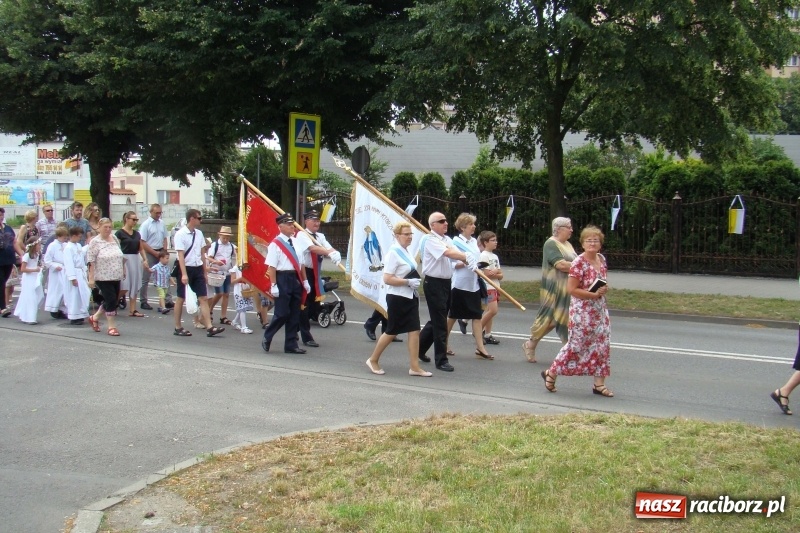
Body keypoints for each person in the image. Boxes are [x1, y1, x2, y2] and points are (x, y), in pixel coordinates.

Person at [541, 225, 612, 397]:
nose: (592, 243)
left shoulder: (601, 259)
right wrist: (592, 294)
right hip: (582, 311)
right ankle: (551, 372)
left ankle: (599, 385)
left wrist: (602, 291)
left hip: (599, 310)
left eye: (596, 240)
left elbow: (601, 281)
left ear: (600, 244)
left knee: (602, 346)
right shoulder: (579, 262)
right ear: (582, 243)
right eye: (589, 240)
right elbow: (571, 289)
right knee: (576, 345)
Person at [365, 221, 431, 377]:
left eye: (410, 234)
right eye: (406, 234)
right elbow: (387, 278)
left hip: (410, 296)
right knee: (392, 331)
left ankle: (414, 367)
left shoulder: (406, 251)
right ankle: (373, 359)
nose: (409, 237)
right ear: (397, 236)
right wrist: (407, 281)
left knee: (414, 330)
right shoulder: (393, 253)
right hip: (397, 297)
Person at [418, 212, 476, 372]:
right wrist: (465, 256)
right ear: (432, 225)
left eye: (445, 220)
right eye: (441, 221)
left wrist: (468, 260)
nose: (445, 223)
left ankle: (419, 348)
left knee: (438, 319)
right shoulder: (430, 240)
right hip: (433, 283)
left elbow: (455, 253)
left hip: (445, 283)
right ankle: (441, 360)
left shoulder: (446, 239)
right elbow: (448, 253)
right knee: (441, 322)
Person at [524, 217, 578, 363]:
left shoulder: (567, 244)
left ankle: (569, 352)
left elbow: (574, 262)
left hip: (567, 287)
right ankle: (531, 344)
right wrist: (582, 267)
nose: (571, 230)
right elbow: (561, 265)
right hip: (554, 289)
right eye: (569, 227)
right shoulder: (551, 244)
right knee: (550, 319)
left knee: (564, 319)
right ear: (559, 229)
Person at [261, 213, 310, 354]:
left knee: (295, 313)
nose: (292, 227)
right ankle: (267, 336)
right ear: (280, 226)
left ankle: (291, 344)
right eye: (289, 224)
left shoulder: (296, 242)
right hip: (282, 278)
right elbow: (272, 267)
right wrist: (273, 285)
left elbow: (301, 264)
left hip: (295, 278)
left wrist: (305, 280)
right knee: (282, 313)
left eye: (292, 224)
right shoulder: (275, 244)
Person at [447, 213, 494, 360]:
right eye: (471, 224)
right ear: (463, 227)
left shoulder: (474, 241)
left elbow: (476, 259)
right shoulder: (454, 242)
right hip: (460, 285)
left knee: (477, 316)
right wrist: (466, 262)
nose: (474, 226)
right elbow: (453, 264)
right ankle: (443, 342)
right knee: (453, 316)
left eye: (474, 224)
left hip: (473, 284)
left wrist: (478, 265)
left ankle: (480, 348)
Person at [172, 209, 224, 337]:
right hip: (186, 268)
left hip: (197, 268)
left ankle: (209, 327)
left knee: (203, 298)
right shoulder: (180, 234)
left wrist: (204, 271)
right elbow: (180, 255)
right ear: (192, 219)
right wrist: (184, 274)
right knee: (181, 298)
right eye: (199, 218)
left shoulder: (199, 234)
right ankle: (178, 326)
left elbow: (202, 253)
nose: (201, 220)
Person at [294, 210, 342, 348]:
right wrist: (328, 252)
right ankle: (306, 336)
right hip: (304, 272)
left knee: (313, 305)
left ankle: (293, 329)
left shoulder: (320, 235)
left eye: (318, 220)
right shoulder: (301, 235)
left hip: (315, 273)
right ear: (306, 221)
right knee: (304, 304)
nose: (316, 223)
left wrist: (334, 252)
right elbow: (313, 248)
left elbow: (326, 246)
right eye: (313, 220)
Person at [86, 218, 125, 336]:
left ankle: (95, 317)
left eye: (110, 227)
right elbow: (91, 261)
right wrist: (91, 278)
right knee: (111, 299)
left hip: (116, 274)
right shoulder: (95, 242)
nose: (108, 230)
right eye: (105, 227)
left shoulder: (114, 238)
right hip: (103, 276)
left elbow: (120, 255)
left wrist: (124, 269)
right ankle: (111, 326)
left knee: (112, 299)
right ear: (99, 227)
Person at [139, 203, 173, 310]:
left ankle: (168, 300)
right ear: (151, 212)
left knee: (165, 275)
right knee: (146, 276)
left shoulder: (162, 223)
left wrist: (164, 251)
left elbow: (164, 238)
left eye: (160, 212)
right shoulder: (146, 224)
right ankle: (143, 301)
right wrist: (154, 253)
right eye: (157, 213)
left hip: (160, 252)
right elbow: (142, 242)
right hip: (150, 252)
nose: (159, 215)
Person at [116, 211, 148, 317]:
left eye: (136, 220)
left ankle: (133, 309)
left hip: (135, 258)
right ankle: (112, 304)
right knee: (124, 285)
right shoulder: (119, 233)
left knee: (135, 283)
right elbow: (116, 248)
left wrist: (145, 259)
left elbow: (141, 247)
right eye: (133, 219)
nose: (135, 222)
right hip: (124, 258)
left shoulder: (137, 234)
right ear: (126, 219)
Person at [206, 226, 236, 325]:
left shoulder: (231, 246)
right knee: (219, 293)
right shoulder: (215, 245)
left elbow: (234, 256)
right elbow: (209, 257)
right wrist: (216, 261)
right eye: (224, 237)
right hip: (216, 272)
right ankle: (210, 310)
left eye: (227, 238)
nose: (226, 239)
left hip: (226, 272)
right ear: (220, 236)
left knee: (226, 294)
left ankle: (223, 316)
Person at [478, 231, 503, 345]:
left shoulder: (495, 256)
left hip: (496, 286)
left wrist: (496, 272)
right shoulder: (483, 255)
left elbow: (501, 274)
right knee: (493, 310)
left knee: (489, 311)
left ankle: (487, 334)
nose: (495, 242)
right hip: (488, 287)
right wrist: (495, 272)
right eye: (493, 240)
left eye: (496, 240)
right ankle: (477, 331)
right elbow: (486, 274)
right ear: (485, 242)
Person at [13, 237, 44, 324]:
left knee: (40, 295)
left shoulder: (37, 255)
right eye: (38, 245)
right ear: (33, 245)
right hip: (28, 278)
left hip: (35, 277)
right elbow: (23, 269)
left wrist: (40, 269)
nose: (40, 246)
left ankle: (26, 313)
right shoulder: (27, 256)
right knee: (31, 297)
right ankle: (30, 317)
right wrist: (34, 269)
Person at [63, 226, 90, 325]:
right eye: (79, 236)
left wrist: (88, 245)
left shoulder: (78, 245)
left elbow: (82, 253)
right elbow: (69, 263)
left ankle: (81, 314)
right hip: (74, 273)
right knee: (74, 295)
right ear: (73, 236)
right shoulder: (68, 248)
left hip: (80, 272)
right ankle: (74, 316)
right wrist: (72, 278)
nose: (80, 238)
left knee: (82, 294)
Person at [43, 226, 69, 319]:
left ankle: (61, 308)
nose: (65, 239)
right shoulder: (52, 246)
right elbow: (47, 260)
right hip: (56, 272)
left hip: (64, 270)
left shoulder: (65, 245)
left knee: (64, 290)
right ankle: (54, 309)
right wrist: (54, 266)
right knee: (56, 290)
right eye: (63, 237)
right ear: (58, 236)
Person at [0, 207, 16, 317]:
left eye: (1, 215)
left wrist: (21, 254)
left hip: (8, 259)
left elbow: (14, 242)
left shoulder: (8, 228)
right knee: (1, 283)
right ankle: (3, 308)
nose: (0, 217)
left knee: (4, 282)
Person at [230, 264, 254, 334]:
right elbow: (232, 281)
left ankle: (235, 321)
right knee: (242, 308)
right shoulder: (235, 268)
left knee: (243, 307)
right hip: (238, 289)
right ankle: (244, 327)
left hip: (245, 288)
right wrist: (241, 278)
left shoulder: (247, 267)